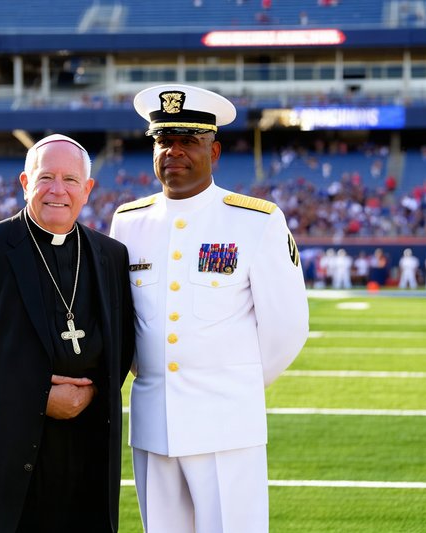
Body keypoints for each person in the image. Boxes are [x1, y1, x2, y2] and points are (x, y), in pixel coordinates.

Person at [110, 84, 309, 533]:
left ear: (214, 151)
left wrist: (232, 384)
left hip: (226, 425)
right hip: (154, 423)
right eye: (164, 140)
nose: (173, 151)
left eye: (188, 141)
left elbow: (288, 326)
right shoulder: (128, 222)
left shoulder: (255, 220)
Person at [0, 134, 135, 533]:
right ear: (24, 183)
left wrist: (90, 392)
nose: (58, 190)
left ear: (87, 189)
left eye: (70, 180)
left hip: (83, 449)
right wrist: (19, 403)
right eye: (46, 177)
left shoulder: (111, 256)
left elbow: (121, 347)